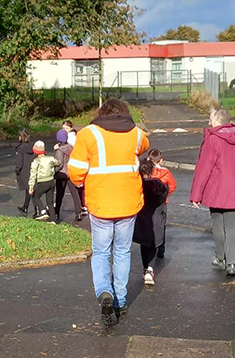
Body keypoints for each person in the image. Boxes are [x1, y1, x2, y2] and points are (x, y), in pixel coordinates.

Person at [69, 98, 149, 327]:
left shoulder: (88, 134)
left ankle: (105, 291)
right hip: (129, 202)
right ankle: (120, 301)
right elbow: (144, 144)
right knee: (123, 252)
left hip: (100, 203)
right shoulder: (135, 133)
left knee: (101, 251)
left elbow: (75, 172)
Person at [189, 108, 235, 277]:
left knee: (218, 224)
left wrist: (196, 194)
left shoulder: (213, 139)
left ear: (217, 121)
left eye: (210, 119)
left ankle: (221, 258)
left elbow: (204, 168)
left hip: (217, 189)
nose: (209, 122)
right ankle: (232, 262)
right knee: (232, 225)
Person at [133, 159, 168, 286]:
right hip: (156, 218)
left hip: (142, 218)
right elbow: (164, 195)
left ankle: (145, 267)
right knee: (153, 244)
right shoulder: (158, 184)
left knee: (144, 244)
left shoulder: (138, 184)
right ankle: (150, 268)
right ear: (152, 170)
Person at [147, 149, 177, 257]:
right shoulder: (166, 172)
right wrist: (165, 195)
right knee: (161, 223)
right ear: (161, 160)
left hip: (148, 202)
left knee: (149, 222)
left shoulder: (146, 171)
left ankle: (149, 245)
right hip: (162, 202)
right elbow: (173, 185)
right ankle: (161, 248)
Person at [52, 129, 84, 221]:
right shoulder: (71, 147)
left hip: (62, 174)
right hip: (71, 172)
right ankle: (78, 212)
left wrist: (53, 172)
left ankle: (57, 212)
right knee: (74, 193)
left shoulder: (59, 151)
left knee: (59, 194)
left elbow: (59, 163)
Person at [28, 141, 60, 221]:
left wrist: (31, 186)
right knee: (50, 201)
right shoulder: (50, 158)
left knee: (35, 196)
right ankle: (53, 220)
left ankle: (43, 212)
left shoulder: (36, 161)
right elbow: (58, 163)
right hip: (51, 182)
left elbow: (32, 174)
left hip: (42, 182)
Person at [14, 129, 35, 216]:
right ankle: (25, 207)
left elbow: (19, 162)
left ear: (20, 137)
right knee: (29, 189)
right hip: (32, 169)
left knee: (29, 190)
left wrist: (17, 170)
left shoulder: (20, 149)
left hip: (24, 171)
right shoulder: (32, 147)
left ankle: (37, 209)